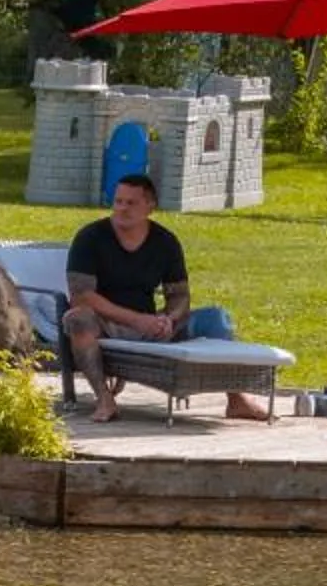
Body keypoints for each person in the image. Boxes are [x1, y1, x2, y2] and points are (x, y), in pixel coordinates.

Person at [65, 176, 267, 424]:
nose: (122, 209)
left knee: (216, 318)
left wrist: (169, 318)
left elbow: (180, 295)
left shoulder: (165, 242)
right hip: (106, 323)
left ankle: (237, 399)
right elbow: (81, 296)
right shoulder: (91, 238)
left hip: (152, 324)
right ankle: (104, 399)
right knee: (77, 319)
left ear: (150, 206)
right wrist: (136, 320)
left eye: (131, 203)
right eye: (118, 201)